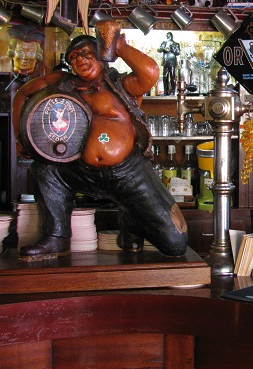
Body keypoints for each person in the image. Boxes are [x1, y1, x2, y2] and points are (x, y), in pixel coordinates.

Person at [12, 34, 188, 260]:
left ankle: (132, 223)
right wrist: (20, 137)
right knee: (44, 169)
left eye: (87, 53)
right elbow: (23, 93)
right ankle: (57, 237)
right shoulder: (62, 82)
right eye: (73, 57)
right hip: (79, 171)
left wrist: (119, 46)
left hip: (129, 173)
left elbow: (150, 73)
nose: (80, 60)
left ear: (101, 57)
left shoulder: (120, 84)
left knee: (175, 243)